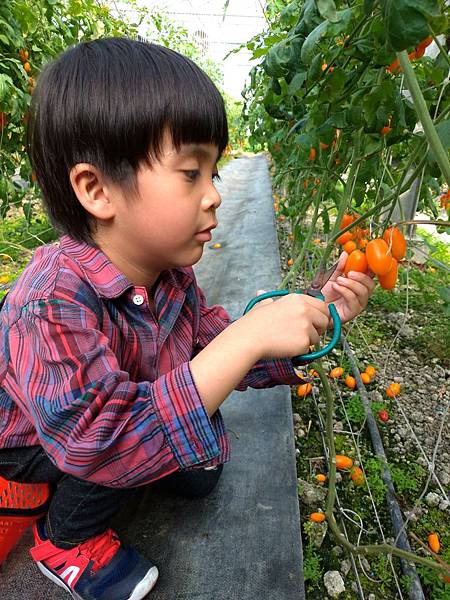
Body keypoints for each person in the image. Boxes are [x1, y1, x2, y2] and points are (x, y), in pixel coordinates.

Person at [0, 38, 375, 600]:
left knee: (194, 458)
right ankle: (65, 539)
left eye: (214, 174)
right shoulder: (49, 301)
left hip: (109, 414)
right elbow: (95, 442)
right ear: (97, 190)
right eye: (191, 173)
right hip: (43, 442)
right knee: (126, 445)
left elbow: (212, 341)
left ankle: (136, 468)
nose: (213, 197)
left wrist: (314, 315)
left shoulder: (168, 275)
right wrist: (243, 342)